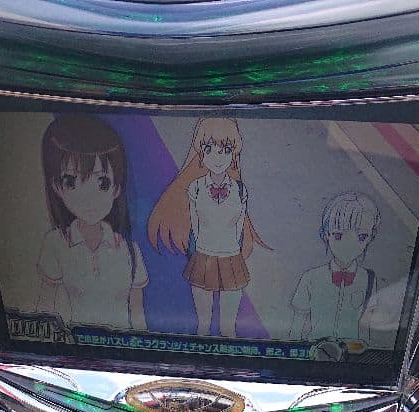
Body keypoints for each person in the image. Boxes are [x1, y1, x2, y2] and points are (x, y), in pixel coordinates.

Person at [148, 118, 265, 338]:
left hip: (232, 259)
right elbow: (195, 225)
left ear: (234, 154)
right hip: (203, 258)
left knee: (228, 330)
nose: (218, 157)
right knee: (202, 327)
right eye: (209, 149)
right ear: (200, 153)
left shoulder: (240, 190)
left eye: (226, 149)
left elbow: (239, 227)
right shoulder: (195, 188)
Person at [36, 114, 148, 331]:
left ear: (116, 189)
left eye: (102, 183)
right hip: (77, 345)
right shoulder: (56, 243)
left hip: (123, 347)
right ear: (57, 187)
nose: (88, 198)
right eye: (71, 182)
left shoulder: (129, 250)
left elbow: (138, 314)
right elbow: (45, 308)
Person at [290, 191, 380, 344]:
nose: (349, 244)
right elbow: (297, 326)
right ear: (326, 234)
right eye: (338, 235)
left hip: (351, 353)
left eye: (361, 236)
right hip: (316, 350)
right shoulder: (311, 278)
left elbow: (367, 327)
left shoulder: (368, 279)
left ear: (370, 237)